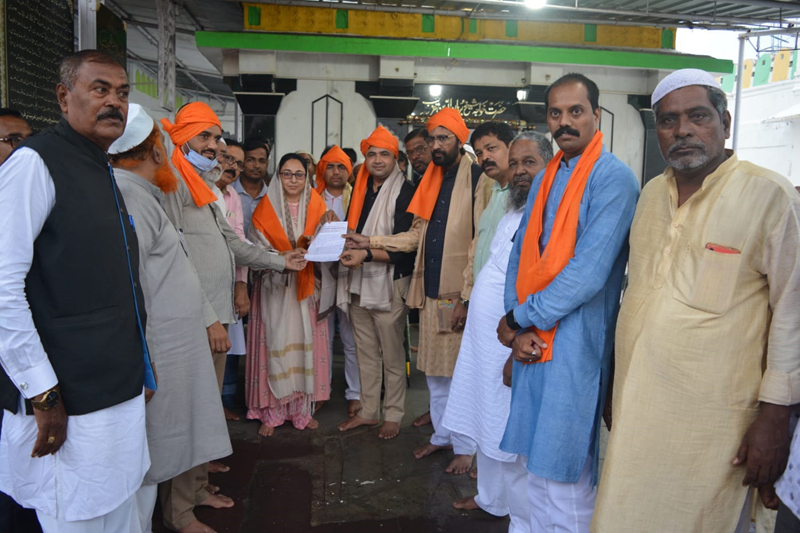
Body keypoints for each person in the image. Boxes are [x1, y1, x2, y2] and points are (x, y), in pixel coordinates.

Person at [593, 69, 800, 533]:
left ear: (725, 122)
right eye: (668, 121)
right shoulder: (649, 196)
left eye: (697, 116)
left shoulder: (769, 195)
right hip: (638, 408)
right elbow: (638, 300)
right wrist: (615, 388)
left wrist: (775, 417)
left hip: (715, 423)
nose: (682, 130)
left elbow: (793, 314)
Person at [0, 49, 152, 532]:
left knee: (118, 505)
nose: (115, 102)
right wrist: (40, 391)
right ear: (64, 97)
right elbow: (3, 284)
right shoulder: (35, 164)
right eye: (100, 89)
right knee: (76, 513)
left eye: (122, 93)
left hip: (113, 387)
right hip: (67, 394)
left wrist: (141, 366)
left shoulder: (98, 165)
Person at [496, 73, 639, 533]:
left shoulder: (613, 178)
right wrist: (517, 329)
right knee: (535, 471)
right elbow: (522, 254)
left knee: (565, 478)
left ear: (597, 114)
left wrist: (521, 317)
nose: (564, 122)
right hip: (533, 342)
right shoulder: (549, 174)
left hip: (575, 345)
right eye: (555, 113)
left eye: (575, 111)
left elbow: (588, 272)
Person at [159, 102, 304, 527]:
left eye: (217, 137)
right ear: (180, 138)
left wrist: (282, 261)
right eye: (205, 137)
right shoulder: (171, 185)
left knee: (203, 412)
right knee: (188, 416)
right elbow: (176, 260)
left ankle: (198, 488)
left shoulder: (203, 188)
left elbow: (231, 245)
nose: (215, 146)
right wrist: (209, 317)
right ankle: (179, 510)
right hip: (196, 320)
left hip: (216, 316)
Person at [109, 104, 233, 533]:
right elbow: (133, 281)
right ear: (156, 150)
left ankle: (185, 504)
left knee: (183, 424)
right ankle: (177, 515)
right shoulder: (132, 194)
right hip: (165, 342)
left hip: (179, 337)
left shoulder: (144, 192)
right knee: (169, 431)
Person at [350, 108, 486, 475]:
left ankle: (467, 448)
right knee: (435, 375)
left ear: (460, 139)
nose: (437, 145)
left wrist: (466, 295)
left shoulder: (476, 178)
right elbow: (415, 237)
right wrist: (370, 240)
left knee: (459, 374)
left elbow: (479, 241)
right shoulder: (431, 180)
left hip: (455, 293)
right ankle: (443, 436)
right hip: (427, 291)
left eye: (444, 138)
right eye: (433, 139)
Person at [443, 132, 552, 529]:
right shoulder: (508, 204)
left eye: (530, 163)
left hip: (511, 346)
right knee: (486, 421)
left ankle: (521, 519)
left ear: (549, 165)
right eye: (517, 163)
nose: (520, 170)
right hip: (482, 342)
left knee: (511, 438)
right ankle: (491, 500)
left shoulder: (547, 214)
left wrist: (512, 351)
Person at [336, 127, 416, 440]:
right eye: (372, 154)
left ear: (396, 159)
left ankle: (394, 413)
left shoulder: (407, 191)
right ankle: (369, 411)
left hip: (389, 282)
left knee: (393, 355)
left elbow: (406, 245)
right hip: (359, 281)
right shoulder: (360, 190)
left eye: (385, 154)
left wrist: (366, 254)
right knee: (365, 351)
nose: (377, 160)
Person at [246, 153, 331, 437]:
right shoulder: (264, 210)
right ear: (278, 176)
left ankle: (300, 411)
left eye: (299, 174)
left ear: (306, 178)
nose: (293, 179)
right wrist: (282, 258)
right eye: (286, 173)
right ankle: (271, 411)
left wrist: (315, 250)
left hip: (307, 288)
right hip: (275, 287)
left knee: (303, 343)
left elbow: (330, 247)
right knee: (275, 342)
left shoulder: (318, 207)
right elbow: (254, 250)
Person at [316, 145, 361, 416]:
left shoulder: (358, 198)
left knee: (350, 336)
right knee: (320, 336)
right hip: (318, 274)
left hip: (349, 274)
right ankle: (321, 390)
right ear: (323, 169)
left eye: (341, 166)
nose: (335, 171)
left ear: (350, 171)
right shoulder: (311, 198)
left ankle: (354, 392)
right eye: (330, 166)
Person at [217, 138, 249, 422]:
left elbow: (238, 242)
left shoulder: (233, 197)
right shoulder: (194, 189)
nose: (234, 167)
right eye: (228, 158)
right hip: (196, 291)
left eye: (238, 163)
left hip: (226, 286)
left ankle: (223, 402)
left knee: (225, 348)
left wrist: (241, 286)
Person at [236, 138, 270, 235]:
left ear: (267, 164)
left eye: (262, 161)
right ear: (242, 162)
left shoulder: (272, 197)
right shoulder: (228, 193)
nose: (257, 165)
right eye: (250, 160)